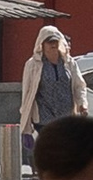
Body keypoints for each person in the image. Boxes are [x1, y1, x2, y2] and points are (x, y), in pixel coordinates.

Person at [18, 27, 81, 168]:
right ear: (42, 44)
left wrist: (82, 103)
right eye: (49, 42)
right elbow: (27, 94)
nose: (53, 45)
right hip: (44, 116)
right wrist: (26, 127)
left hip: (65, 115)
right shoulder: (33, 65)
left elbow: (79, 85)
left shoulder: (69, 63)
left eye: (55, 41)